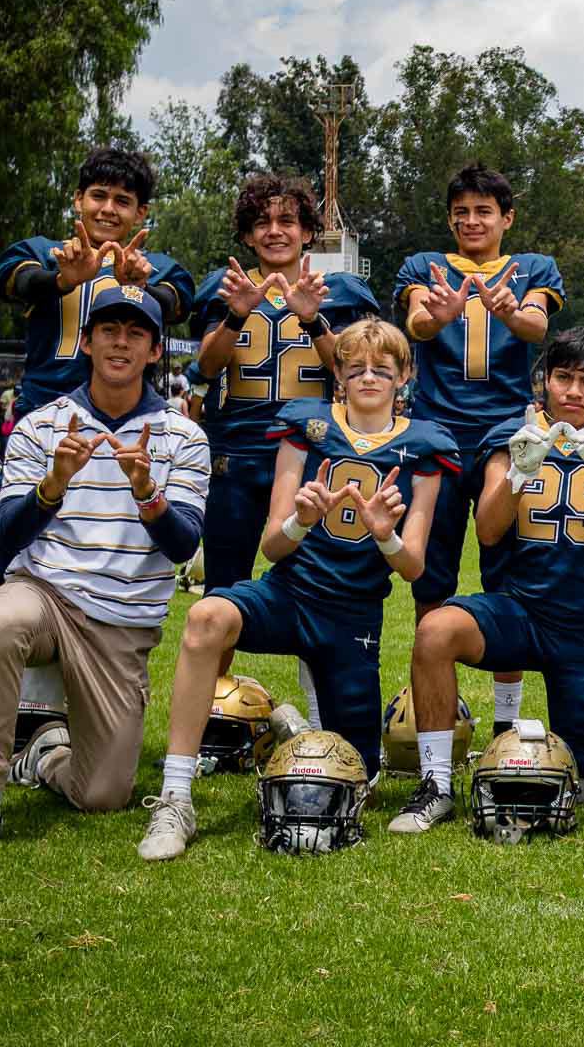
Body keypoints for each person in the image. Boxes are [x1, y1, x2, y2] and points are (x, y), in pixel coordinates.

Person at [138, 319, 454, 861]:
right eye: (357, 367)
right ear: (338, 373)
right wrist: (301, 521)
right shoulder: (307, 427)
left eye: (382, 369)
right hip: (289, 594)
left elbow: (412, 567)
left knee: (357, 773)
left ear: (405, 375)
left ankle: (292, 728)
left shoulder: (424, 446)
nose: (369, 377)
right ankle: (175, 795)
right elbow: (272, 546)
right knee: (206, 618)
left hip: (353, 618)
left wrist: (385, 535)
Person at [0, 286, 209, 849]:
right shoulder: (41, 425)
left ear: (154, 350)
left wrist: (147, 492)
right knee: (3, 620)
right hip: (45, 594)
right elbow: (6, 532)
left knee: (102, 793)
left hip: (121, 622)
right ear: (87, 342)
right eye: (108, 331)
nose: (120, 343)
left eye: (136, 333)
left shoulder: (184, 437)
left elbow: (182, 545)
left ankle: (44, 755)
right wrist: (53, 484)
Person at [391, 328, 584, 833]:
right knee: (435, 630)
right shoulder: (511, 436)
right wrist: (519, 473)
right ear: (545, 380)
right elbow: (488, 530)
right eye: (563, 377)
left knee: (582, 782)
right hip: (518, 609)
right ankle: (436, 784)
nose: (573, 392)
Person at [0, 146, 195, 592]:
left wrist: (142, 285)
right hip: (46, 420)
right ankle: (4, 625)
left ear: (141, 212)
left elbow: (178, 303)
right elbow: (12, 281)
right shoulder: (44, 252)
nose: (108, 209)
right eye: (99, 195)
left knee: (115, 548)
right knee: (2, 554)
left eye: (123, 200)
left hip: (126, 428)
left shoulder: (157, 266)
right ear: (78, 199)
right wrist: (63, 279)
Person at [396, 162, 563, 735]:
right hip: (436, 433)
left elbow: (537, 326)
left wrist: (511, 311)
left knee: (506, 578)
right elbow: (418, 322)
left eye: (483, 211)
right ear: (450, 219)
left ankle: (506, 721)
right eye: (461, 212)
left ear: (506, 218)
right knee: (431, 576)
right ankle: (430, 711)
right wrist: (434, 316)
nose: (472, 221)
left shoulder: (532, 268)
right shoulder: (426, 265)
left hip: (504, 435)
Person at [191, 173, 379, 593]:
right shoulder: (227, 285)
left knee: (314, 584)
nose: (274, 231)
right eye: (262, 222)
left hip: (311, 450)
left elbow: (354, 370)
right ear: (247, 235)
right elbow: (207, 366)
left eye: (287, 221)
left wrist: (313, 320)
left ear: (307, 231)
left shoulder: (337, 290)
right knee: (223, 585)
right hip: (237, 452)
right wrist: (236, 315)